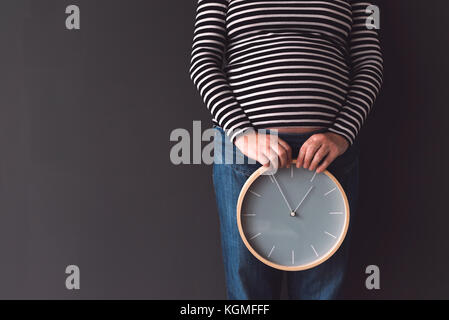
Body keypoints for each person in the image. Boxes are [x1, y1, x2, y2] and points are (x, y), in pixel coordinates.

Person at [189, 0, 383, 299]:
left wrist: (341, 134)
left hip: (327, 156)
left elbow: (369, 64)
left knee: (322, 291)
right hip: (244, 154)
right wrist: (242, 133)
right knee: (248, 294)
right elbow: (203, 60)